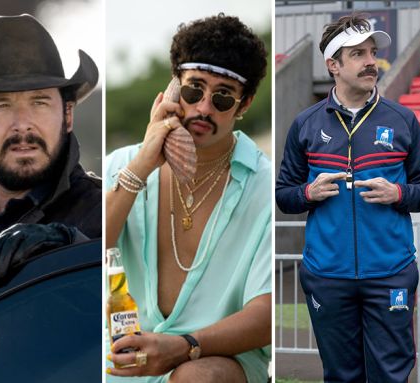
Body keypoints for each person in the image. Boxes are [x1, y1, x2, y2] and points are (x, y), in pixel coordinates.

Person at [105, 14, 271, 383]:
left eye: (223, 97)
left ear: (244, 105)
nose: (204, 108)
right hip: (122, 360)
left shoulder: (265, 185)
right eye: (194, 90)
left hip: (218, 361)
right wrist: (144, 163)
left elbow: (267, 310)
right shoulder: (122, 166)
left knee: (198, 378)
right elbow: (88, 249)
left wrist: (184, 346)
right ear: (173, 89)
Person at [276, 14, 420, 382]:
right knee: (341, 375)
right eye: (357, 54)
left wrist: (398, 193)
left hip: (390, 274)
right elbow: (284, 196)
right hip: (327, 276)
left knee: (390, 374)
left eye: (372, 52)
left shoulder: (402, 120)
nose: (371, 61)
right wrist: (308, 192)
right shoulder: (305, 124)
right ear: (333, 65)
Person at [0, 14, 101, 304]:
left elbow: (124, 302)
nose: (22, 124)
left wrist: (74, 249)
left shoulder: (102, 211)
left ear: (67, 115)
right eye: (2, 105)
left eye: (39, 102)